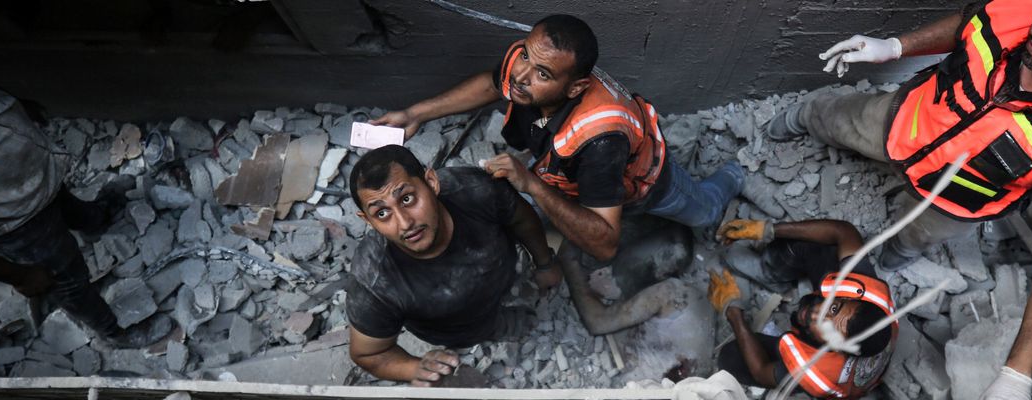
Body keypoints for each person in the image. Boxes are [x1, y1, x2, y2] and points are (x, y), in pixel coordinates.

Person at [764, 0, 1032, 397]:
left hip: (953, 203)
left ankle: (895, 255)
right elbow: (970, 24)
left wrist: (1016, 376)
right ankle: (797, 118)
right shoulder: (1023, 10)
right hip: (906, 125)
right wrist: (896, 46)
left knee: (914, 239)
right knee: (837, 117)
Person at [372, 14, 744, 266]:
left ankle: (738, 173)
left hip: (644, 185)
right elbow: (493, 83)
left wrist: (530, 183)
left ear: (576, 87)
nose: (521, 76)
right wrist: (415, 114)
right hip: (569, 172)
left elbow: (606, 243)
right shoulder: (528, 64)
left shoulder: (601, 143)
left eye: (543, 74)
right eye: (525, 58)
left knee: (705, 212)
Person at [0, 71, 172, 348]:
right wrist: (19, 275)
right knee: (68, 279)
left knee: (66, 204)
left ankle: (95, 219)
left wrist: (10, 104)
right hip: (14, 218)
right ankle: (114, 334)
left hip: (36, 169)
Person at [344, 145, 559, 386]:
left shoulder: (475, 190)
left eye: (407, 198)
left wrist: (544, 263)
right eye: (382, 213)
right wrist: (414, 368)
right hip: (460, 328)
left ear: (432, 182)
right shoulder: (374, 280)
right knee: (501, 329)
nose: (405, 223)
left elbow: (521, 218)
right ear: (367, 220)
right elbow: (368, 353)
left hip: (507, 276)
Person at [710, 218, 895, 398]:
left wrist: (733, 311)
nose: (816, 313)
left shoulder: (817, 373)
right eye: (833, 309)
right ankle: (771, 272)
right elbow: (844, 232)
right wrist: (767, 229)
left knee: (731, 358)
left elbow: (761, 372)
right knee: (822, 244)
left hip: (840, 376)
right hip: (860, 345)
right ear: (849, 299)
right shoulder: (868, 294)